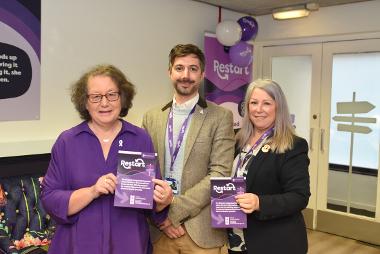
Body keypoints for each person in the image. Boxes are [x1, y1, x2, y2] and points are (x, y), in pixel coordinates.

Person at [41, 64, 173, 254]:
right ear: (85, 102)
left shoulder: (140, 138)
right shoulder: (67, 142)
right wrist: (92, 191)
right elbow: (50, 199)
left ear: (122, 98)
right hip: (78, 246)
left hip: (128, 245)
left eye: (112, 94)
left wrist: (163, 200)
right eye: (96, 97)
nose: (105, 103)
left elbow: (151, 203)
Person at [142, 44, 235, 254]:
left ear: (202, 74)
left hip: (199, 232)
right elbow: (144, 172)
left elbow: (220, 174)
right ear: (170, 72)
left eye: (193, 69)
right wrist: (158, 218)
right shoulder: (151, 117)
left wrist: (172, 213)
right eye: (179, 68)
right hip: (159, 232)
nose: (186, 75)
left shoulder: (221, 117)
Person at [227, 79, 310, 254]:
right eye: (254, 103)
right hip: (237, 239)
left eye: (266, 103)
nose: (258, 109)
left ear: (278, 107)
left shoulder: (293, 145)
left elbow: (299, 196)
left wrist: (259, 203)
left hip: (274, 242)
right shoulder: (236, 139)